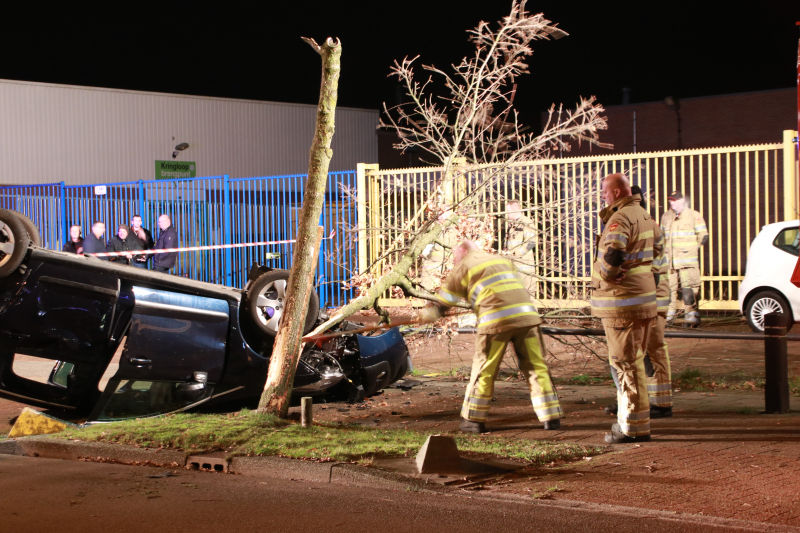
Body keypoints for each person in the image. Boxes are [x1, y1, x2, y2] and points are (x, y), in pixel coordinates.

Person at [418, 240, 562, 433]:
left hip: (496, 322)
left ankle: (473, 420)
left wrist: (428, 316)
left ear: (462, 252)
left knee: (484, 370)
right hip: (527, 319)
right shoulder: (501, 260)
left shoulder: (464, 266)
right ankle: (551, 417)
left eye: (454, 256)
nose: (454, 260)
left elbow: (445, 302)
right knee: (536, 366)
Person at [591, 173, 662, 444]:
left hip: (622, 304)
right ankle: (638, 425)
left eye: (605, 192)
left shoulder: (620, 218)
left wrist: (609, 274)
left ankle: (631, 428)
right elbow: (656, 253)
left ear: (618, 193)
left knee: (625, 365)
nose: (603, 197)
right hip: (643, 300)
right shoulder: (644, 215)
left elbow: (614, 253)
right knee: (635, 363)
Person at [604, 185, 673, 420]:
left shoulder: (642, 223)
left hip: (650, 295)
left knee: (647, 352)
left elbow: (643, 263)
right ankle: (640, 402)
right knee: (643, 353)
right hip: (652, 293)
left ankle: (654, 404)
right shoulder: (648, 221)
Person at [661, 191, 708, 327]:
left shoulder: (693, 215)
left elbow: (703, 236)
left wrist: (692, 249)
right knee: (669, 291)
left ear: (682, 201)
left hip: (687, 262)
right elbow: (662, 237)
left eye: (674, 200)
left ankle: (691, 319)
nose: (671, 202)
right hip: (670, 262)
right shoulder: (666, 216)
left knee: (689, 291)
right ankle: (669, 318)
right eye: (670, 200)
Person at [505, 200, 538, 295]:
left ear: (514, 210)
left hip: (524, 267)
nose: (506, 214)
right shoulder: (512, 224)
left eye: (508, 211)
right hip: (514, 266)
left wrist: (516, 254)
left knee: (528, 296)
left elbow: (531, 242)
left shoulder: (526, 222)